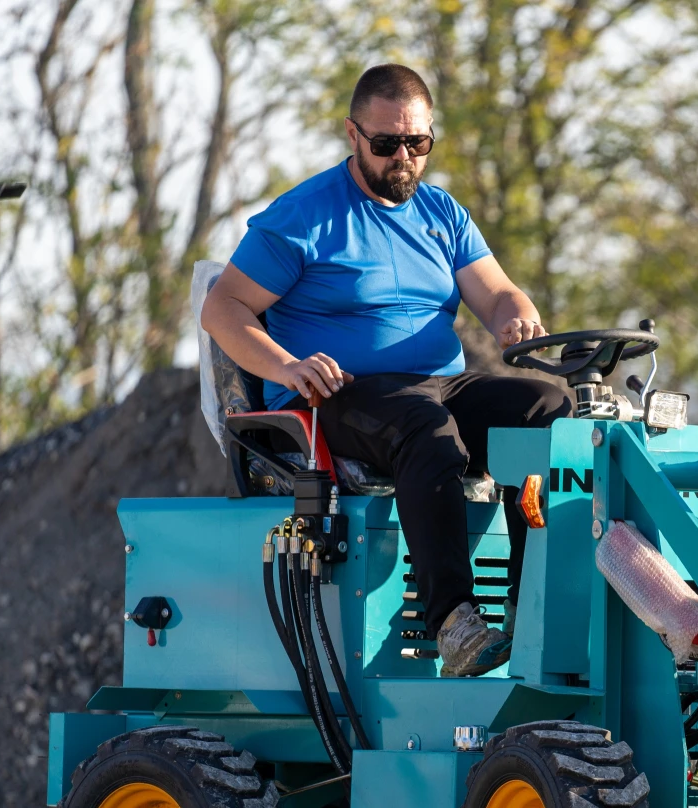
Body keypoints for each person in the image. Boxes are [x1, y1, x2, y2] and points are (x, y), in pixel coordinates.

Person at [201, 63, 570, 677]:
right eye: (386, 143)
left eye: (418, 143)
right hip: (340, 391)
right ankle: (453, 621)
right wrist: (288, 366)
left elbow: (499, 293)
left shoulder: (442, 213)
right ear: (353, 134)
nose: (404, 158)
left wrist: (517, 318)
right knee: (427, 427)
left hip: (437, 385)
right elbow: (222, 309)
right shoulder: (304, 217)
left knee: (550, 410)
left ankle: (531, 604)